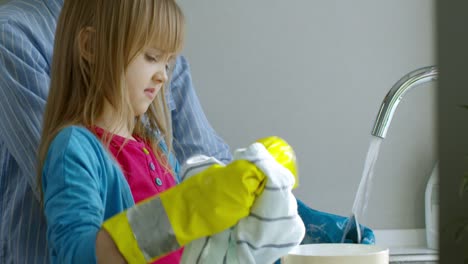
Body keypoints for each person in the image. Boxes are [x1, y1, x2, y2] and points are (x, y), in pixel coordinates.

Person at [0, 0, 373, 263]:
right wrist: (182, 212)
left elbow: (204, 165)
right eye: (151, 58)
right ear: (91, 45)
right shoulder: (73, 147)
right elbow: (75, 248)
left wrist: (267, 199)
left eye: (168, 60)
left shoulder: (154, 147)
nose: (164, 74)